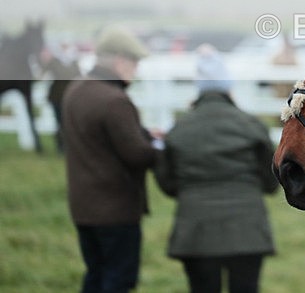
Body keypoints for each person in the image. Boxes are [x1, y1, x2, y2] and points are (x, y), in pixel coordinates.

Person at [155, 44, 279, 293]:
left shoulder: (179, 129)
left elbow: (167, 183)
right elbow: (271, 181)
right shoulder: (252, 126)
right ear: (228, 87)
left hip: (195, 230)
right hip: (247, 230)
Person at [62, 25, 157, 293]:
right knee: (119, 279)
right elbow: (138, 155)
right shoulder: (115, 101)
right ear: (119, 60)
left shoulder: (76, 89)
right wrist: (164, 147)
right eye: (134, 62)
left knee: (95, 274)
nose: (136, 69)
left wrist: (144, 133)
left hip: (83, 208)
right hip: (115, 210)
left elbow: (99, 137)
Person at [40, 42, 82, 153]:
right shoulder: (54, 61)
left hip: (71, 96)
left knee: (69, 122)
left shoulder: (74, 61)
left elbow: (79, 77)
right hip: (57, 96)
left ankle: (70, 146)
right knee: (59, 122)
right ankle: (61, 147)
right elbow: (42, 73)